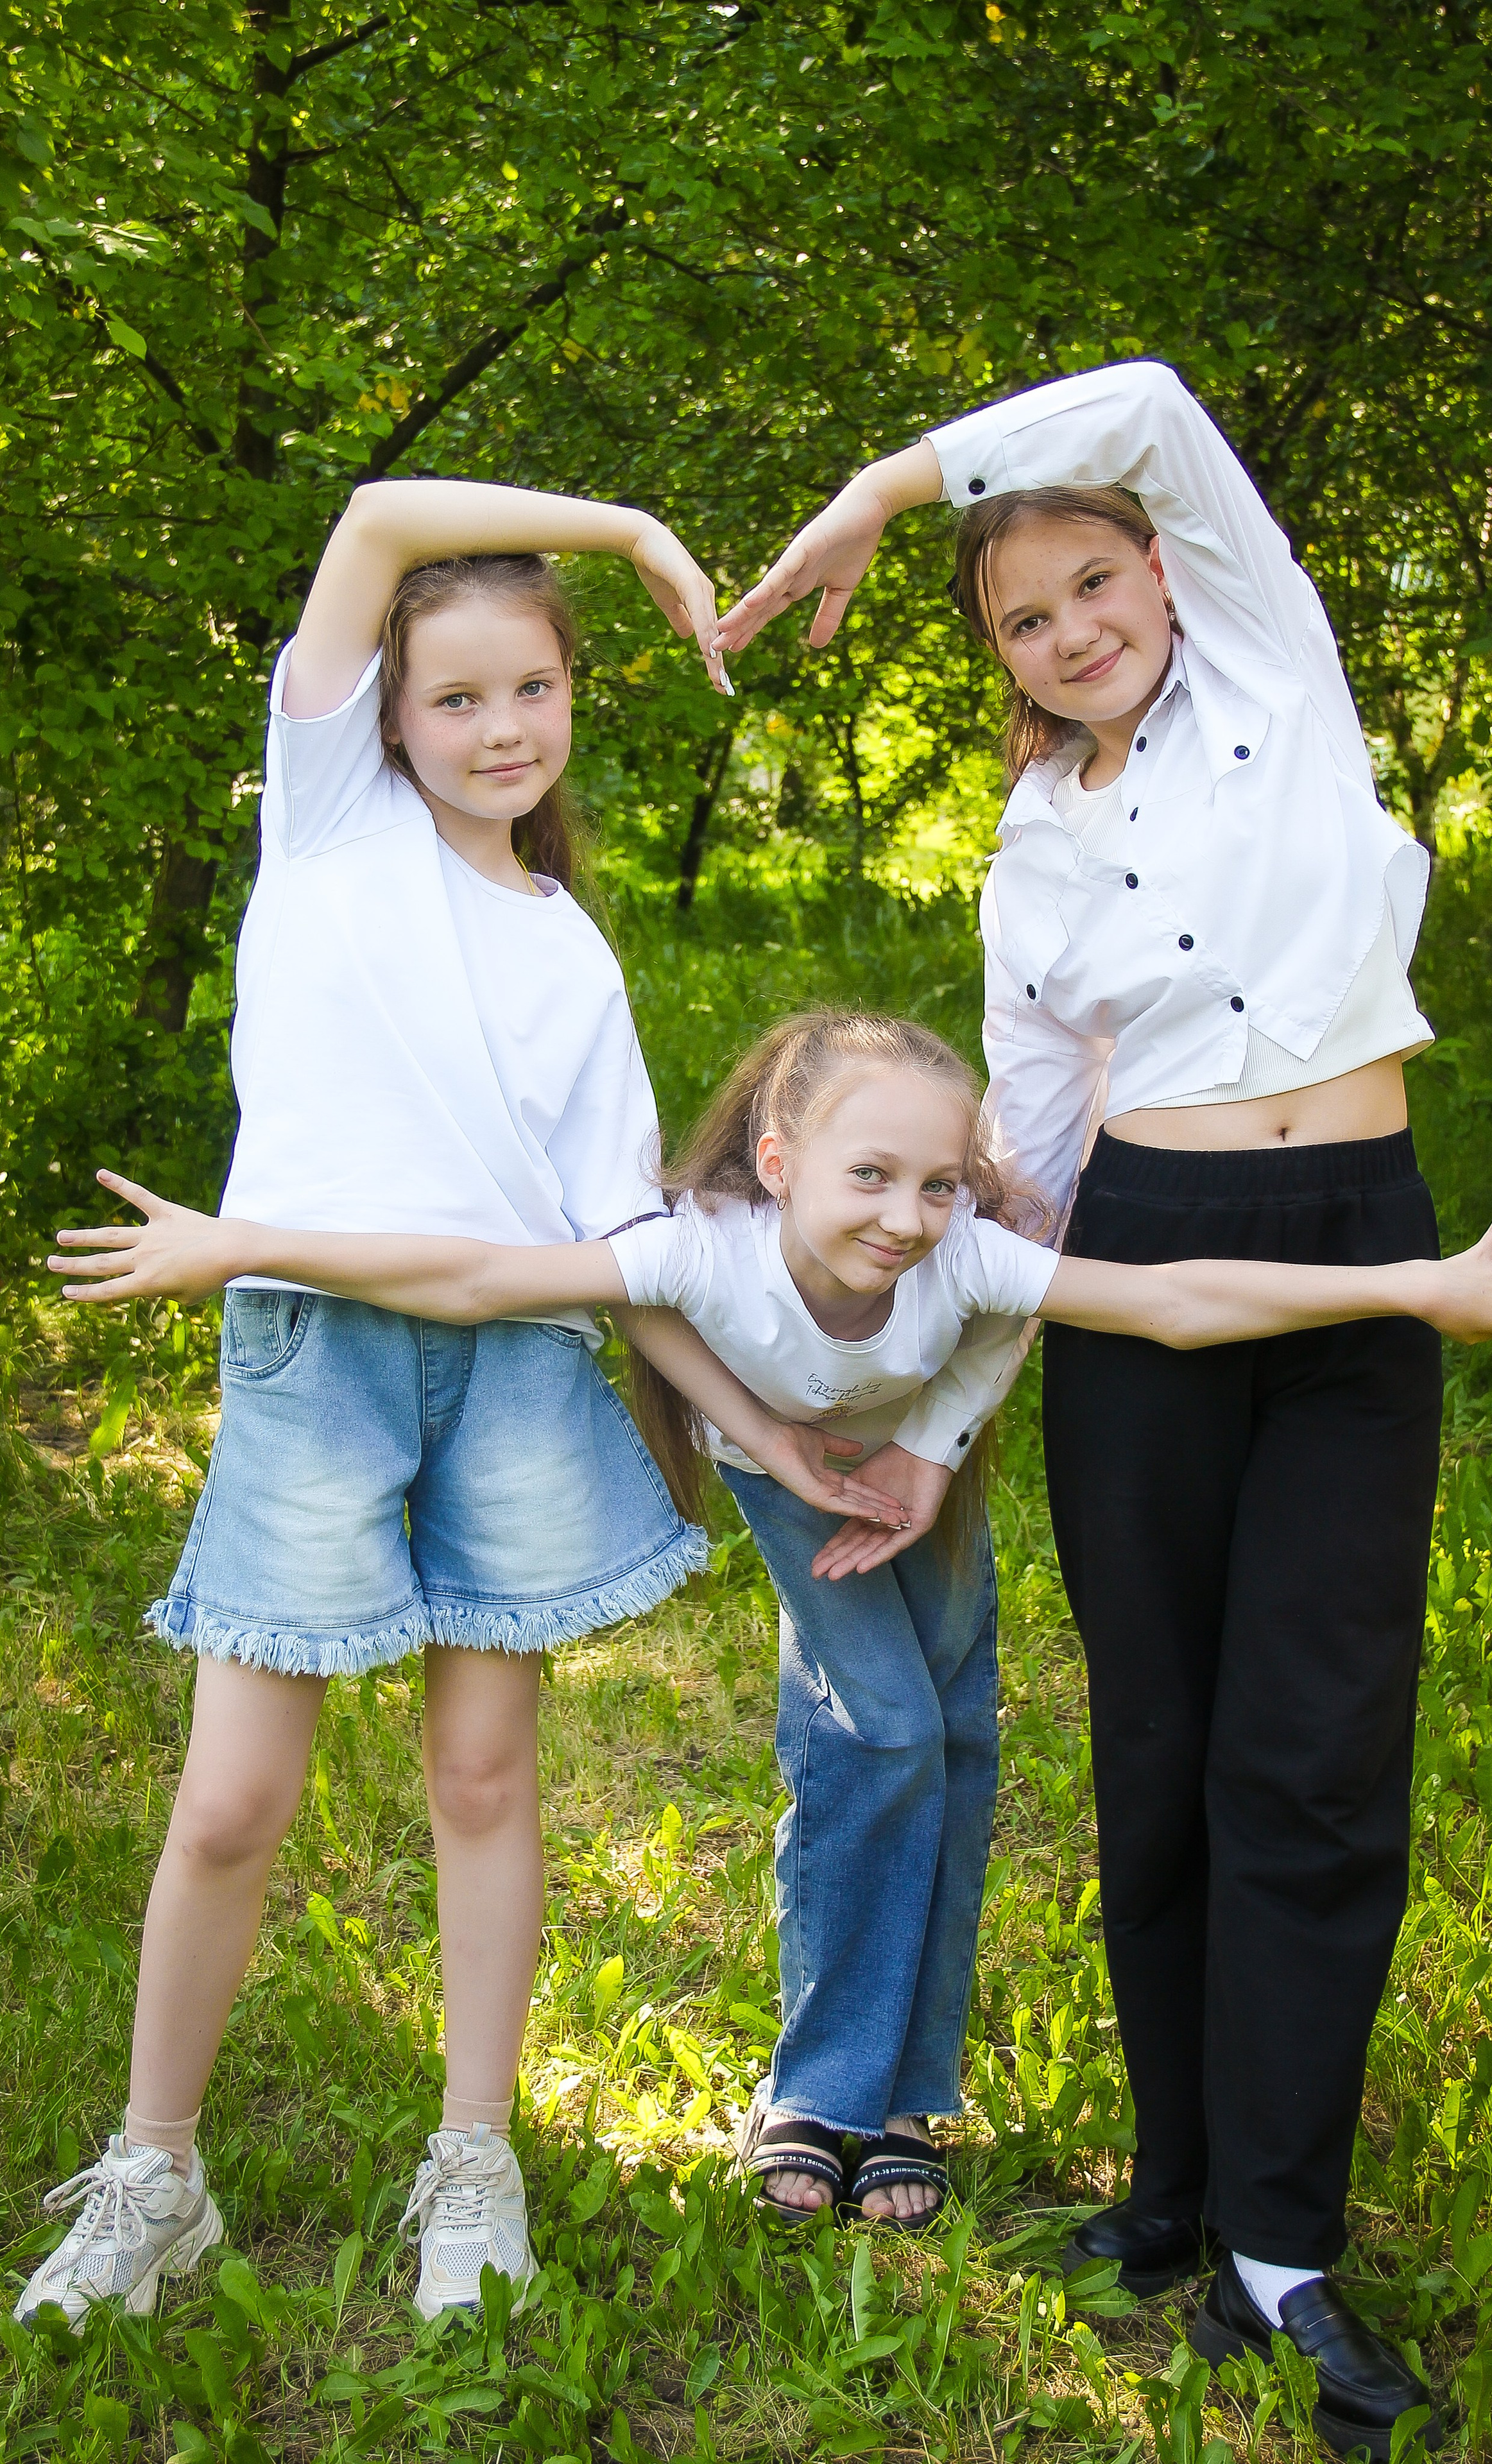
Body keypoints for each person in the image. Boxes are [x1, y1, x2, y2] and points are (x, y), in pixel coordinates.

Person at [49, 1016, 1492, 2252]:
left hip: (922, 1462)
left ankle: (907, 2101)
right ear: (777, 1161)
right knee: (889, 1734)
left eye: (938, 1185)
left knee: (963, 1744)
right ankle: (818, 2094)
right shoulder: (699, 1249)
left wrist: (1408, 1287)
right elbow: (472, 1272)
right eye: (867, 1178)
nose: (910, 1221)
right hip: (785, 1473)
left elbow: (1170, 1299)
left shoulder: (965, 1257)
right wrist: (241, 1243)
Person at [714, 359, 1492, 2450]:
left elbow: (1156, 402)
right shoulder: (1027, 856)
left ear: (1167, 576)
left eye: (1097, 583)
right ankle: (1174, 2203)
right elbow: (1036, 1180)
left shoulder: (1280, 680)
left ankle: (1284, 2244)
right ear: (997, 657)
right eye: (1026, 615)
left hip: (1354, 1252)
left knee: (1316, 1755)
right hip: (1143, 1266)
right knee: (1160, 1749)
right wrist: (942, 1424)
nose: (1074, 629)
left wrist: (887, 489)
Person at [13, 481, 907, 2336]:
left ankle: (472, 2155)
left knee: (483, 1779)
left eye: (535, 694)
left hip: (512, 1376)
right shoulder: (331, 831)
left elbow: (623, 1248)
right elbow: (369, 517)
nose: (501, 731)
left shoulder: (572, 950)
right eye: (458, 699)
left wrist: (757, 1419)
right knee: (232, 1803)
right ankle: (152, 2169)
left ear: (575, 702)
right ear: (389, 720)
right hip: (316, 1365)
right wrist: (645, 533)